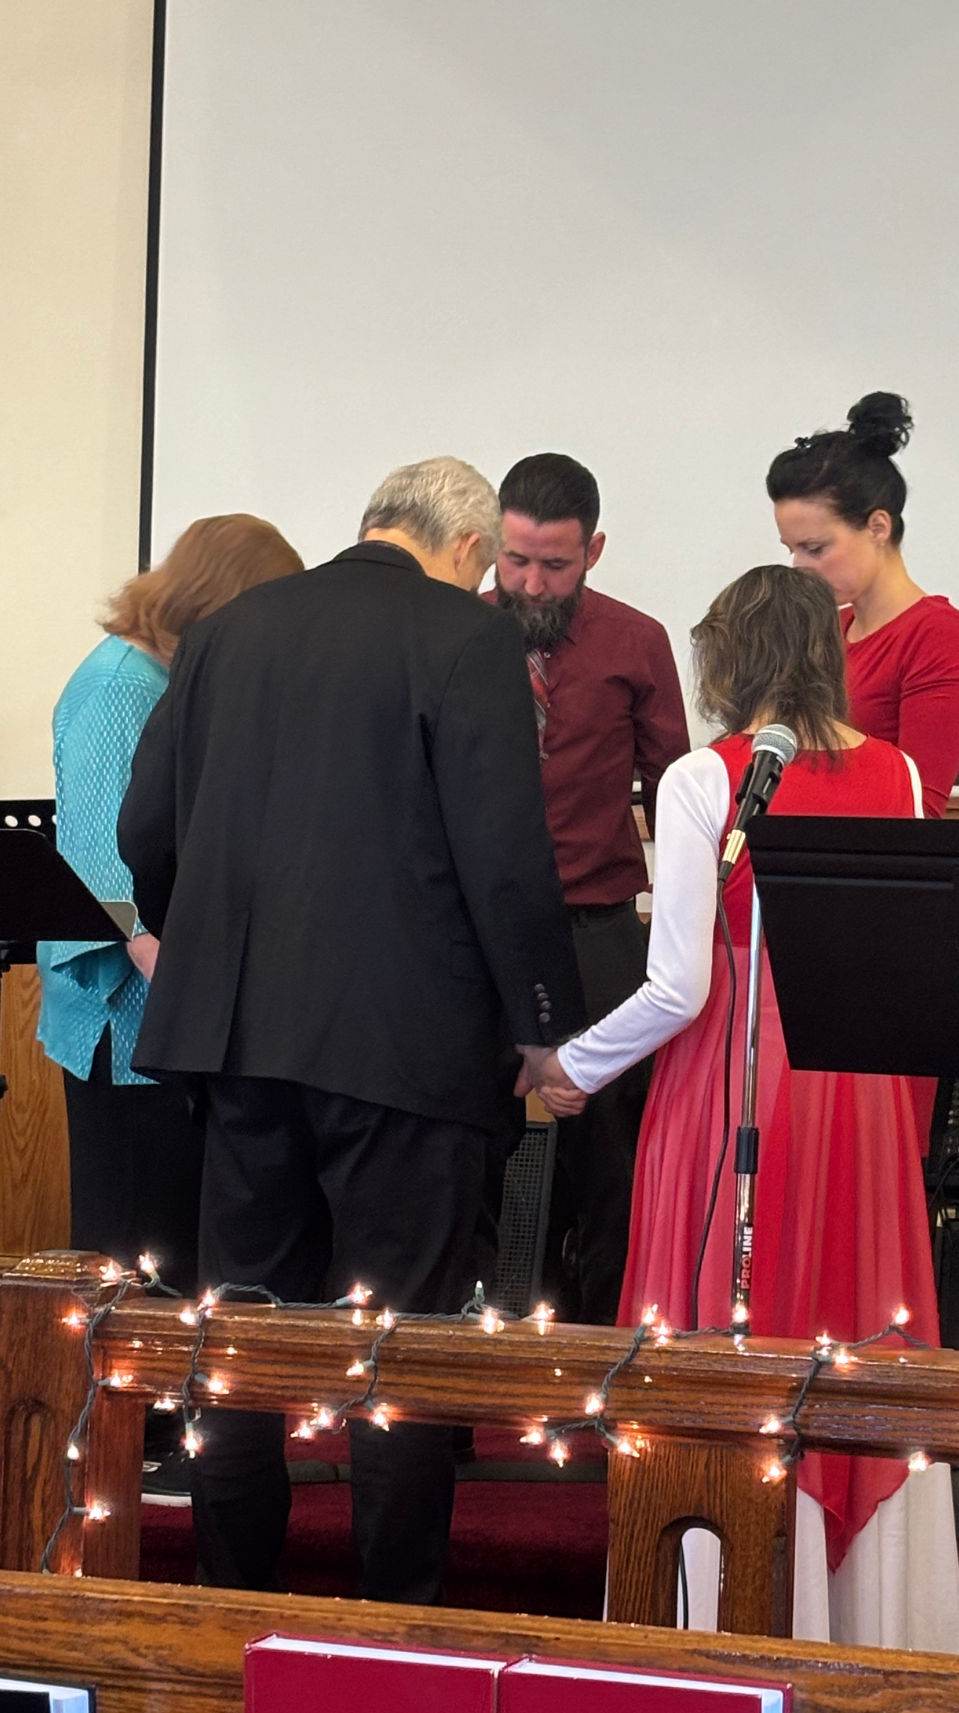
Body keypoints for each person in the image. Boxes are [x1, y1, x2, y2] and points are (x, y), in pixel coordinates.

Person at [117, 457, 586, 1603]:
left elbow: (147, 824)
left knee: (238, 1339)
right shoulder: (465, 638)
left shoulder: (233, 629)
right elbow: (506, 863)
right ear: (470, 549)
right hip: (405, 1051)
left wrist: (208, 944)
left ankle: (232, 1605)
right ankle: (394, 1626)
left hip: (234, 1042)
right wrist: (541, 1025)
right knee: (396, 1346)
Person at [539, 565, 959, 1652]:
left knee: (727, 1324)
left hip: (737, 1077)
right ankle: (869, 1636)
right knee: (854, 1322)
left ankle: (714, 1618)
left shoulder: (704, 780)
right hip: (859, 1089)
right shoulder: (903, 774)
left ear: (729, 662)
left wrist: (571, 1068)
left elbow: (680, 987)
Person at [37, 514, 305, 1299]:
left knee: (171, 1259)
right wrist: (198, 1000)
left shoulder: (159, 678)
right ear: (221, 603)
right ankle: (135, 1427)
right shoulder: (120, 686)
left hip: (164, 1018)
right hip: (126, 1024)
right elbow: (105, 882)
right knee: (134, 1262)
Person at [489, 453, 690, 1325]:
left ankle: (604, 1348)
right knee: (471, 1143)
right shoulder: (457, 632)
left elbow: (677, 787)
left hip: (597, 927)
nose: (532, 583)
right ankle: (484, 1334)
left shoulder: (634, 640)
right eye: (516, 560)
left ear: (595, 550)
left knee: (610, 1150)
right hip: (478, 932)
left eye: (555, 564)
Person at [768, 392, 959, 819]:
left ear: (878, 527)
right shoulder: (825, 630)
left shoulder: (938, 636)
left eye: (815, 548)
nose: (799, 567)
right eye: (791, 550)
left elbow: (918, 802)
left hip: (875, 867)